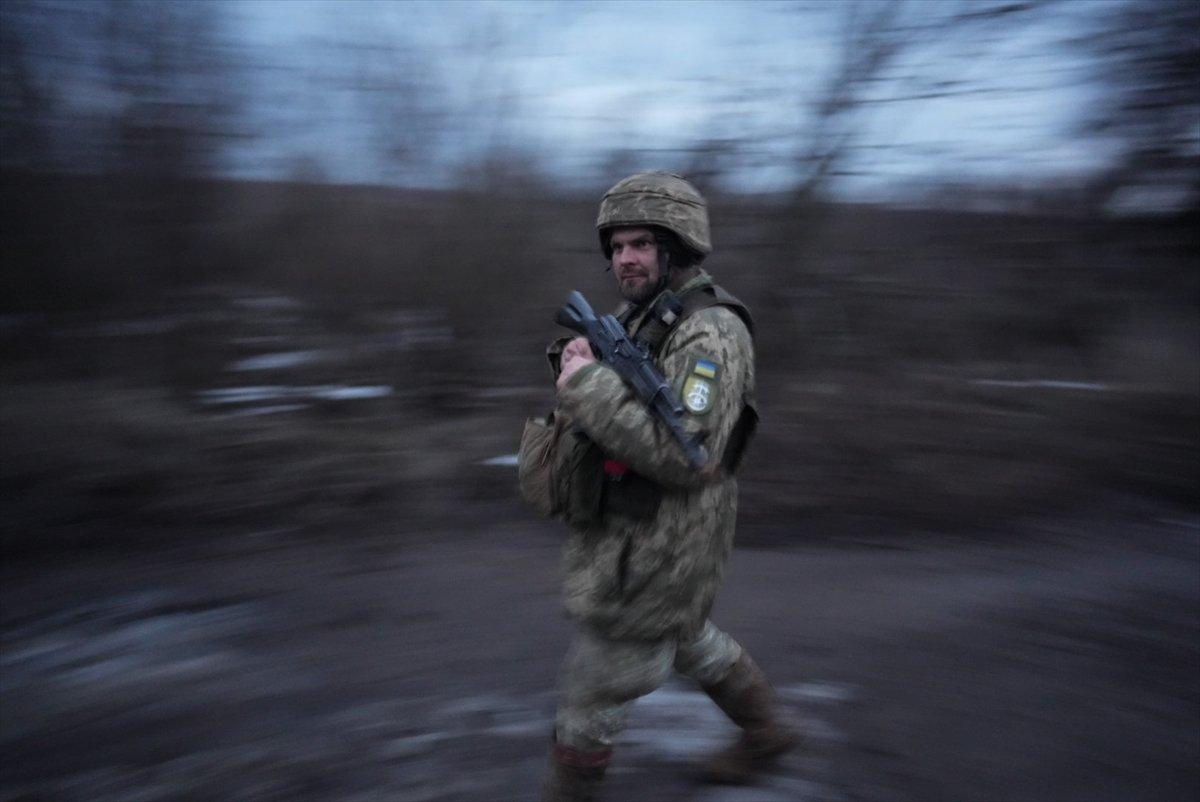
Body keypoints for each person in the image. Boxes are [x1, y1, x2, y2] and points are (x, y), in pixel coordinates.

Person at [530, 172, 798, 801]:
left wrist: (587, 386)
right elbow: (618, 400)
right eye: (618, 246)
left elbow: (689, 455)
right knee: (690, 640)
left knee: (587, 701)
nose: (625, 258)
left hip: (661, 547)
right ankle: (766, 734)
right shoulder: (644, 311)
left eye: (642, 244)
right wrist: (578, 363)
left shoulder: (712, 333)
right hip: (640, 534)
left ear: (676, 247)